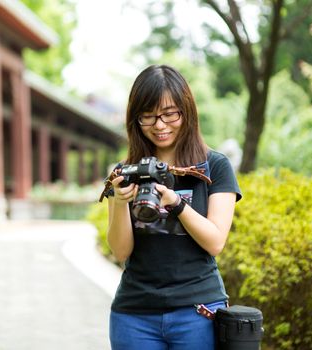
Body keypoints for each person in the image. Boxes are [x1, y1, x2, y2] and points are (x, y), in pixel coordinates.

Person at [105, 64, 241, 350]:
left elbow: (215, 241)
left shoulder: (215, 166)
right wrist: (119, 200)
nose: (160, 125)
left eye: (169, 114)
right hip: (134, 315)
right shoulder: (126, 171)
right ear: (136, 119)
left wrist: (176, 202)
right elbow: (120, 251)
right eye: (148, 116)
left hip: (198, 312)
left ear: (186, 111)